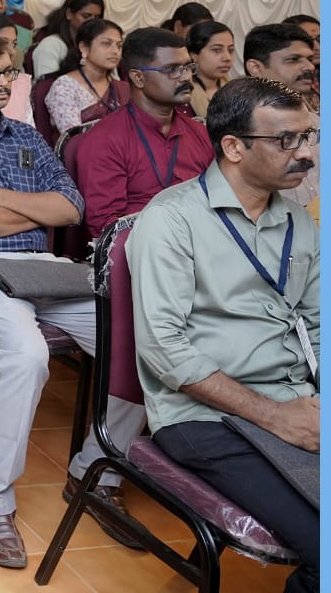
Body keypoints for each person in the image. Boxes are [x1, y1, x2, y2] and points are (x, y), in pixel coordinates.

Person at [0, 31, 142, 565]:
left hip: (41, 268)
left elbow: (72, 208)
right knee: (28, 353)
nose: (4, 82)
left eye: (9, 72)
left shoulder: (26, 135)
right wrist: (22, 212)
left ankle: (95, 472)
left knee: (137, 344)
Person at [128, 78, 320, 593]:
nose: (306, 153)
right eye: (286, 140)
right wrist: (276, 416)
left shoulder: (298, 223)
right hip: (204, 415)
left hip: (293, 398)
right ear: (233, 147)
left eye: (308, 136)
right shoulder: (171, 220)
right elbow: (165, 350)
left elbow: (318, 324)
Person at [77, 28, 214, 239]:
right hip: (143, 248)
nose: (186, 77)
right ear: (139, 77)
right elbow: (106, 228)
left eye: (188, 67)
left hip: (204, 241)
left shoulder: (200, 133)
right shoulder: (105, 139)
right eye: (172, 70)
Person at [242, 23, 320, 211]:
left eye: (310, 59)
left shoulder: (317, 123)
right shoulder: (238, 128)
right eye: (293, 60)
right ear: (255, 67)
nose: (309, 67)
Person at [44, 18, 126, 133]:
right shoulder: (65, 87)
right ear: (84, 47)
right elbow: (74, 138)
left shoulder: (122, 89)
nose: (115, 51)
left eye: (119, 45)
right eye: (106, 44)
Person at [30, 0, 105, 78]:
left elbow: (114, 83)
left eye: (97, 18)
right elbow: (46, 84)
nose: (92, 22)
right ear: (69, 14)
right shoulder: (51, 45)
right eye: (86, 16)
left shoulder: (99, 46)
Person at [186, 20, 235, 120]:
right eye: (217, 50)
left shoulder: (236, 90)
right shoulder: (182, 94)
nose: (227, 57)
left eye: (230, 50)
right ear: (194, 55)